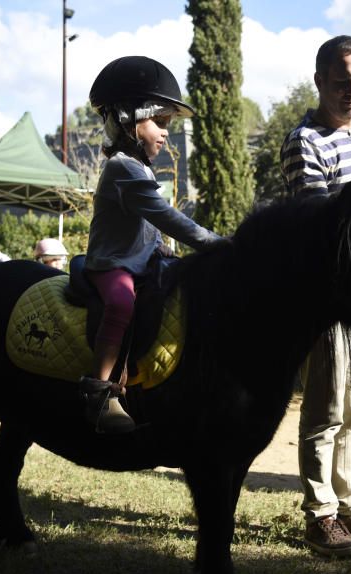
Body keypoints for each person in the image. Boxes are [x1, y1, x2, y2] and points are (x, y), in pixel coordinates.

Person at [279, 35, 351, 557]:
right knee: (326, 408)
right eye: (341, 80)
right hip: (327, 295)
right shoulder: (303, 140)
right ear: (319, 81)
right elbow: (321, 223)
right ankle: (319, 515)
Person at [79, 55, 223, 433]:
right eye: (158, 122)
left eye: (168, 124)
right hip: (114, 265)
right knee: (122, 302)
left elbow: (150, 227)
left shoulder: (141, 168)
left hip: (142, 262)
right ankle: (100, 391)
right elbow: (165, 217)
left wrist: (162, 250)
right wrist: (216, 243)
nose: (164, 133)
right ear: (127, 119)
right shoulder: (121, 168)